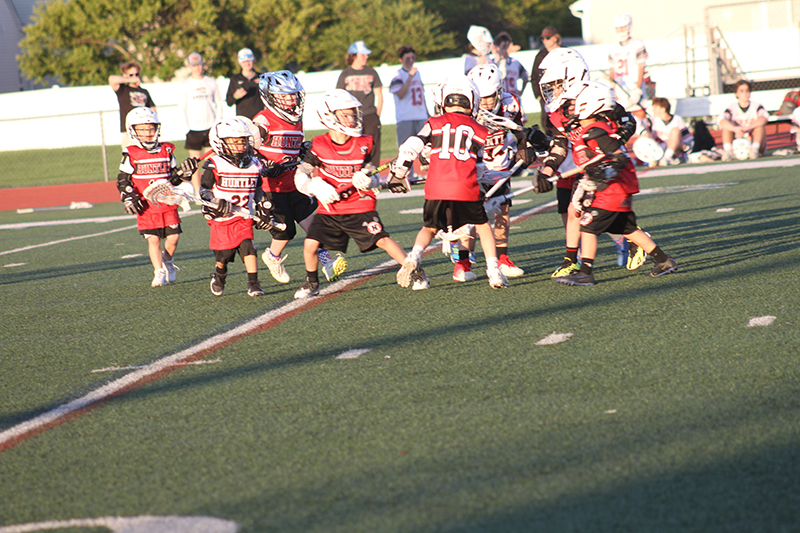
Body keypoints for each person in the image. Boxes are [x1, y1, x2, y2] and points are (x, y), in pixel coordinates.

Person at [291, 89, 427, 298]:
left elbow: (372, 173)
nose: (352, 118)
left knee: (381, 239)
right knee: (310, 244)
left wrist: (367, 179)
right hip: (331, 207)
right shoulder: (318, 144)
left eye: (353, 114)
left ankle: (416, 271)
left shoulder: (364, 143)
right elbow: (301, 175)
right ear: (329, 116)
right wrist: (315, 187)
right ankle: (311, 282)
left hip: (359, 204)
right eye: (345, 114)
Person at [390, 76, 509, 290]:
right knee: (483, 226)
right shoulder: (479, 129)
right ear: (472, 101)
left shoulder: (434, 123)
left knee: (429, 227)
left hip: (436, 185)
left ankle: (414, 256)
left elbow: (413, 144)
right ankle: (493, 270)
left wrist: (401, 168)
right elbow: (479, 167)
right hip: (465, 187)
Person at [556, 81, 677, 286]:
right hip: (615, 190)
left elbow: (619, 157)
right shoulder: (591, 129)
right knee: (627, 228)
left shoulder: (595, 131)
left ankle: (586, 272)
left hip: (612, 191)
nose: (574, 108)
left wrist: (603, 172)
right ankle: (664, 261)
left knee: (587, 225)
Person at [535, 48, 643, 276]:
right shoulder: (560, 112)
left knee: (607, 214)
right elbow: (560, 145)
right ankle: (571, 260)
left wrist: (615, 142)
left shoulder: (594, 97)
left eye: (556, 84)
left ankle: (638, 243)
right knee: (574, 210)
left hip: (610, 168)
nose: (552, 91)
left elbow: (628, 121)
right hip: (588, 168)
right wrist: (546, 170)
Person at [252, 70, 346, 285]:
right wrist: (265, 165)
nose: (292, 99)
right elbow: (249, 152)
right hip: (271, 188)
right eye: (286, 96)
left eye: (293, 94)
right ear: (271, 97)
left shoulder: (295, 119)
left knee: (315, 225)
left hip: (294, 183)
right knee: (286, 233)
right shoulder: (263, 120)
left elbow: (291, 151)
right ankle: (272, 256)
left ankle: (327, 263)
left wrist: (303, 151)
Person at [468, 63, 545, 279]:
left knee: (503, 212)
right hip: (474, 167)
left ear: (499, 91)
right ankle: (464, 262)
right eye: (480, 97)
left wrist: (523, 148)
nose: (483, 102)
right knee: (470, 214)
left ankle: (502, 258)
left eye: (488, 97)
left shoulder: (510, 104)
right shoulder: (469, 109)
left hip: (500, 166)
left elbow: (519, 129)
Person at [116, 107, 198, 287]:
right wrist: (129, 196)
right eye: (142, 129)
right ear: (132, 130)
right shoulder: (131, 153)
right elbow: (123, 180)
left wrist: (185, 174)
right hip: (146, 206)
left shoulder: (167, 150)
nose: (147, 133)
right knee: (153, 239)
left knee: (173, 238)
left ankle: (167, 260)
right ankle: (158, 271)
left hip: (167, 202)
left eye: (150, 129)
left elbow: (174, 177)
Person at [200, 118, 274, 297]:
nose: (240, 146)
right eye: (234, 142)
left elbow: (257, 190)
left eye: (242, 141)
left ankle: (254, 283)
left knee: (248, 247)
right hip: (222, 218)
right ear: (220, 142)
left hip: (244, 216)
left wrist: (264, 207)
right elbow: (204, 191)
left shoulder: (254, 164)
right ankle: (220, 274)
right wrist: (217, 203)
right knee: (223, 255)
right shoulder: (215, 164)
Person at [178, 52, 224, 190]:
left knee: (212, 162)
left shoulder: (211, 82)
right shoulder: (186, 85)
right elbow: (182, 108)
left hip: (210, 128)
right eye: (194, 65)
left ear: (203, 65)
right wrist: (187, 129)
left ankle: (213, 190)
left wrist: (217, 125)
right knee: (194, 164)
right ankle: (198, 191)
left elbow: (219, 104)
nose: (197, 68)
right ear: (189, 66)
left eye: (199, 64)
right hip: (194, 129)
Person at [336, 41, 383, 168]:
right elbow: (339, 97)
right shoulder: (345, 74)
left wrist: (376, 115)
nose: (366, 57)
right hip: (352, 116)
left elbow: (379, 95)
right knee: (353, 145)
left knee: (373, 146)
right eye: (363, 55)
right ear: (354, 56)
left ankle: (373, 176)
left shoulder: (372, 72)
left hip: (369, 114)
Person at [389, 45, 429, 183]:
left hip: (420, 115)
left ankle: (431, 172)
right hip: (405, 117)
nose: (411, 60)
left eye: (413, 57)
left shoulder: (417, 73)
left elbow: (422, 96)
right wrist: (410, 77)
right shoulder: (399, 75)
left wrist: (428, 114)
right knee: (406, 149)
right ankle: (405, 175)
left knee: (428, 147)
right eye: (408, 58)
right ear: (401, 59)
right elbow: (400, 94)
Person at [608, 13, 648, 118]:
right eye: (618, 28)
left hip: (633, 87)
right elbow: (612, 70)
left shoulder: (637, 44)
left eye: (623, 27)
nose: (621, 31)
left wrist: (638, 89)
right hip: (620, 89)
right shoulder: (613, 47)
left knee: (640, 116)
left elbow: (641, 67)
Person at [108, 61, 156, 147]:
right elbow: (112, 79)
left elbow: (152, 109)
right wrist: (131, 80)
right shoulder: (123, 90)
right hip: (130, 131)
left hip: (144, 131)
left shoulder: (144, 91)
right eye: (131, 75)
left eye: (136, 74)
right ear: (125, 75)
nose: (135, 77)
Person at [718, 79, 769, 160]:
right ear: (736, 93)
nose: (745, 94)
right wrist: (736, 129)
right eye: (742, 91)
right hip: (737, 139)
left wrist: (747, 128)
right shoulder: (732, 108)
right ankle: (728, 151)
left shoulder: (756, 106)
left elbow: (764, 119)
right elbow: (722, 121)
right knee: (726, 128)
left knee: (760, 127)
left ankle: (754, 150)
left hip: (753, 139)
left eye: (747, 91)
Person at [638, 97, 694, 166]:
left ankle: (667, 157)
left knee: (675, 130)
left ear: (663, 109)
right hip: (658, 150)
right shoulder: (651, 120)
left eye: (655, 108)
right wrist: (645, 133)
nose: (653, 110)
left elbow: (687, 140)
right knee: (646, 134)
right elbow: (639, 124)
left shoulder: (677, 119)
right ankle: (653, 158)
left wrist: (683, 146)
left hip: (674, 150)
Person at [531, 26, 561, 130]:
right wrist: (538, 95)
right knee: (547, 120)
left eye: (547, 38)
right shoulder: (540, 56)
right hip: (547, 94)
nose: (545, 41)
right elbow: (534, 77)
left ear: (555, 38)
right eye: (543, 39)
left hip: (564, 91)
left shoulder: (564, 52)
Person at [492, 32, 529, 115]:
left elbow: (526, 77)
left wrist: (521, 91)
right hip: (500, 100)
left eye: (507, 46)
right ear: (497, 47)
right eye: (503, 47)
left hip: (513, 99)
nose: (506, 49)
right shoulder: (493, 63)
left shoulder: (515, 62)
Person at [225, 48, 263, 120]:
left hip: (260, 118)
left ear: (254, 60)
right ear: (240, 63)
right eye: (244, 62)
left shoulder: (262, 77)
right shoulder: (235, 79)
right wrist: (235, 96)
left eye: (249, 61)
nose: (247, 64)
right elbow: (229, 102)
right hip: (243, 120)